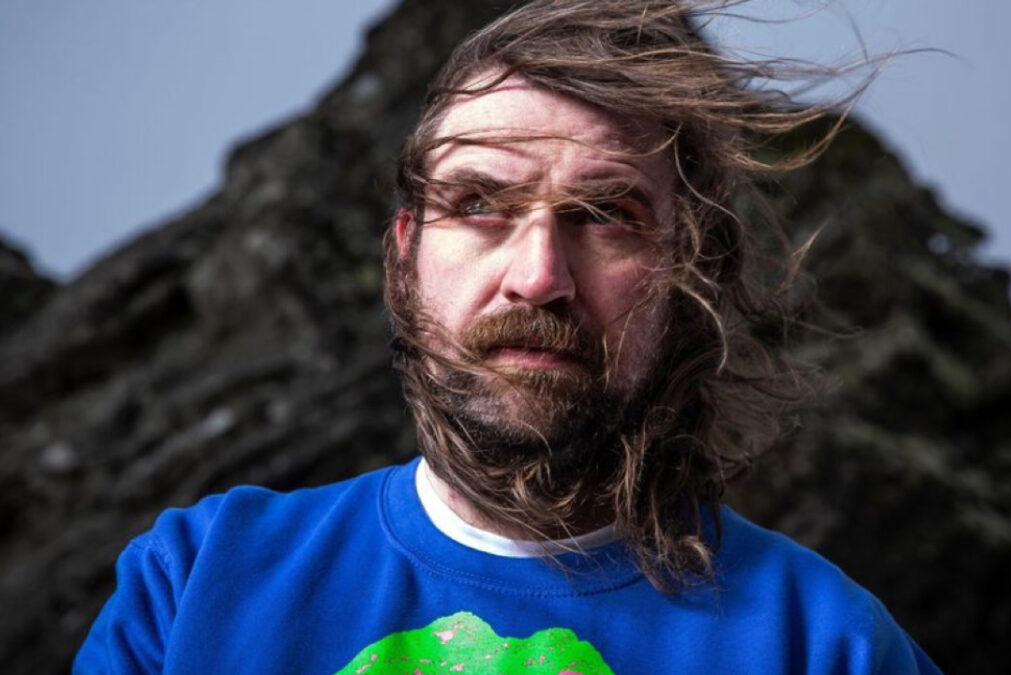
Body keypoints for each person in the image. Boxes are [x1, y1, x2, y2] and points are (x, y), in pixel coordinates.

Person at [75, 1, 943, 673]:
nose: (538, 275)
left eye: (605, 215)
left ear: (692, 272)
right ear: (406, 253)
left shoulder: (824, 645)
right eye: (480, 203)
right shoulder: (198, 581)